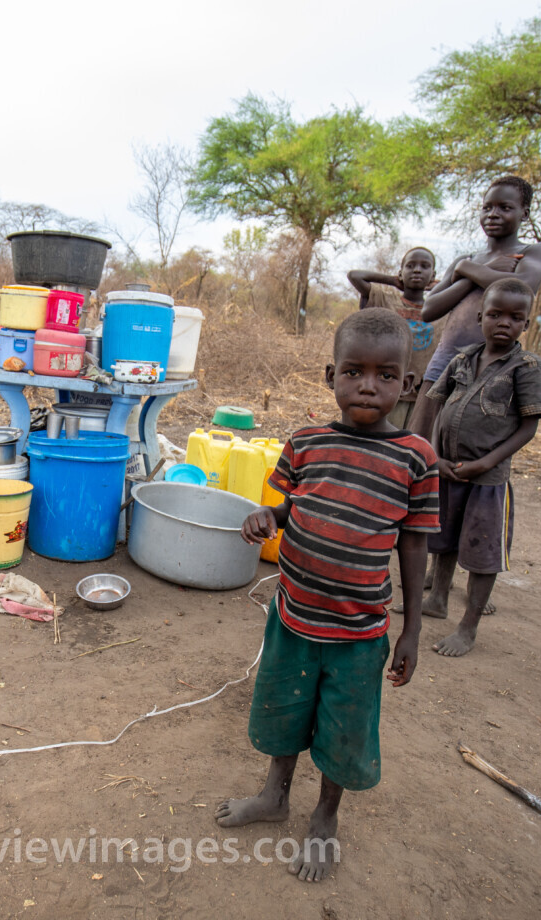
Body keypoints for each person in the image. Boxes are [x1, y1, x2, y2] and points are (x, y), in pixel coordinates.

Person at [218, 308, 439, 882]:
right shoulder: (305, 442)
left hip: (358, 633)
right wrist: (267, 516)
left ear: (407, 384)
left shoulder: (416, 458)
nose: (367, 385)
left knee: (344, 728)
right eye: (353, 371)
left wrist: (412, 629)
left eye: (385, 375)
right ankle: (274, 795)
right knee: (284, 710)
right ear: (330, 375)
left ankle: (324, 817)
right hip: (294, 617)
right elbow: (294, 505)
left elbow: (415, 543)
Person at [421, 277, 541, 657]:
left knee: (482, 552)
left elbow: (528, 426)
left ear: (526, 323)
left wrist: (486, 462)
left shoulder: (527, 367)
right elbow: (437, 406)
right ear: (480, 317)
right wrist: (434, 456)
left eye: (515, 317)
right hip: (449, 469)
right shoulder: (463, 359)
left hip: (488, 479)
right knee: (443, 538)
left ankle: (468, 628)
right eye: (495, 314)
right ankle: (437, 599)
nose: (504, 323)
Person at [407, 176, 541, 444]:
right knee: (422, 444)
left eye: (505, 208)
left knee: (470, 444)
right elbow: (429, 309)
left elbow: (522, 285)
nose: (493, 214)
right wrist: (472, 271)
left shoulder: (534, 251)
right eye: (487, 207)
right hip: (444, 363)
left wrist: (468, 272)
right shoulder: (466, 260)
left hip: (490, 368)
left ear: (525, 214)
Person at [347, 246, 441, 430]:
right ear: (400, 272)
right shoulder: (385, 300)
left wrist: (442, 286)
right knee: (380, 437)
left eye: (424, 266)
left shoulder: (440, 309)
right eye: (410, 266)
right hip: (386, 391)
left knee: (412, 441)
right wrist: (393, 281)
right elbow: (355, 276)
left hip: (422, 395)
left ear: (433, 275)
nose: (417, 270)